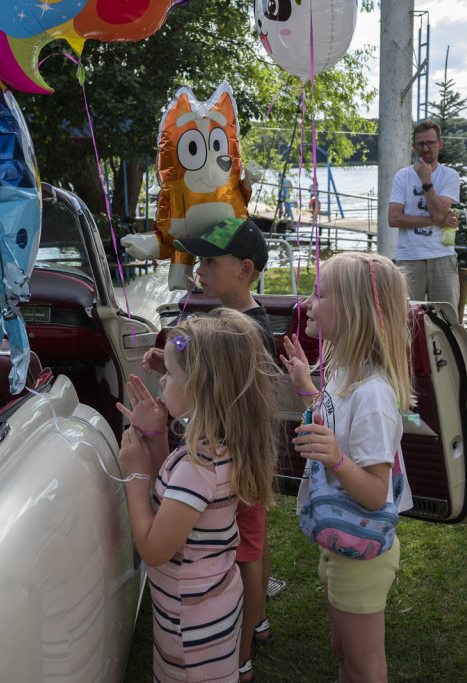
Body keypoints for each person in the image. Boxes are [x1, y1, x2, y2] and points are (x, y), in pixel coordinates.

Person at [143, 216, 278, 683]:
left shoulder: (248, 330)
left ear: (244, 268)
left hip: (236, 472)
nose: (198, 269)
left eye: (210, 261)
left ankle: (243, 648)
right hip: (220, 468)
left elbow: (229, 387)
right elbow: (195, 346)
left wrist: (183, 368)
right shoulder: (221, 318)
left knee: (245, 555)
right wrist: (171, 358)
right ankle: (248, 628)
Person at [117, 309, 278, 683]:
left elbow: (155, 549)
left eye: (170, 374)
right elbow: (171, 500)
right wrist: (156, 435)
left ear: (201, 388)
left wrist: (135, 474)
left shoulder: (199, 465)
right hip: (210, 606)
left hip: (189, 624)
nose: (161, 383)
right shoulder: (221, 444)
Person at [279, 252, 415, 683]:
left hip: (362, 547)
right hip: (339, 534)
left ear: (352, 312)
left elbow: (377, 492)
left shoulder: (373, 395)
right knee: (343, 649)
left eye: (319, 294)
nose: (307, 303)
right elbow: (332, 421)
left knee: (365, 665)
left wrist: (337, 458)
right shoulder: (342, 373)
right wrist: (307, 389)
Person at [388, 119, 462, 309]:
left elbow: (438, 213)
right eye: (420, 143)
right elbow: (393, 218)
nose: (426, 148)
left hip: (442, 257)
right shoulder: (402, 176)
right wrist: (435, 221)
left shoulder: (450, 176)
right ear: (414, 146)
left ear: (440, 144)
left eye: (430, 143)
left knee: (447, 318)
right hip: (409, 258)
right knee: (406, 318)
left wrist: (426, 180)